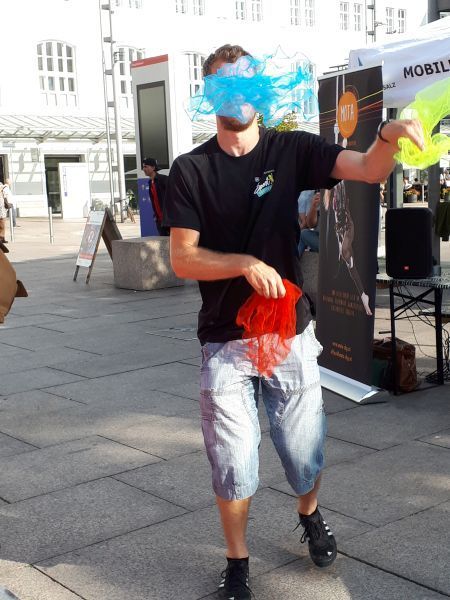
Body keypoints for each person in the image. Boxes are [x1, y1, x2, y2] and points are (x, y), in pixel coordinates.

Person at [164, 44, 424, 600]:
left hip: (290, 332)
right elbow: (182, 259)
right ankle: (238, 562)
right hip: (225, 341)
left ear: (261, 89)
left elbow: (368, 169)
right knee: (233, 462)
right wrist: (243, 263)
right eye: (226, 85)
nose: (239, 95)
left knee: (304, 452)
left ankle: (309, 512)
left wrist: (387, 135)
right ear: (208, 93)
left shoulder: (292, 149)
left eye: (247, 83)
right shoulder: (190, 169)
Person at [323, 181, 372, 316]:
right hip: (339, 229)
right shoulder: (329, 193)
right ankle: (363, 296)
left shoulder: (342, 185)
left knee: (344, 252)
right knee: (352, 269)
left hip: (348, 225)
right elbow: (333, 214)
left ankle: (346, 257)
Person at [142, 157, 169, 236]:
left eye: (146, 166)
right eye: (143, 167)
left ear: (153, 167)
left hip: (168, 220)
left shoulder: (164, 179)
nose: (144, 169)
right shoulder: (150, 183)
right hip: (159, 221)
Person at [298, 189, 320, 256]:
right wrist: (313, 207)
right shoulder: (315, 194)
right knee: (303, 233)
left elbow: (305, 224)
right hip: (319, 236)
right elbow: (311, 224)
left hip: (334, 244)